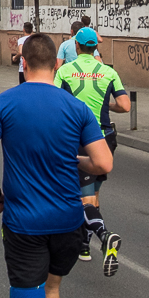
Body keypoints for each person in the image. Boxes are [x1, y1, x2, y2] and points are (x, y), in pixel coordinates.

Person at [0, 34, 113, 298]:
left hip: (24, 224)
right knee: (52, 289)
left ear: (23, 63)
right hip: (69, 222)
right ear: (55, 65)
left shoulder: (5, 102)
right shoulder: (76, 107)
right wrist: (74, 159)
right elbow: (104, 162)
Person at [52, 27, 129, 273]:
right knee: (93, 191)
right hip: (105, 137)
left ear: (76, 46)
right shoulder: (109, 72)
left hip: (78, 138)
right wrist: (105, 107)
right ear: (95, 47)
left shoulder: (64, 71)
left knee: (82, 195)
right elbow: (125, 106)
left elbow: (54, 102)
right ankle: (84, 244)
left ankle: (104, 236)